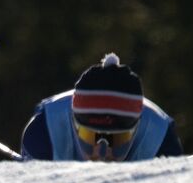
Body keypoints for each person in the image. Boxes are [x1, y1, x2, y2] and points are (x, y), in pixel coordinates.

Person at [21, 54, 182, 161]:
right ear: (73, 122)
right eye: (89, 136)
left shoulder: (161, 139)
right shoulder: (44, 131)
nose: (102, 154)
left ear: (136, 128)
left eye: (118, 139)